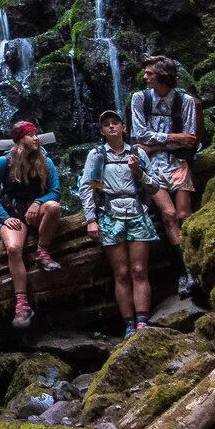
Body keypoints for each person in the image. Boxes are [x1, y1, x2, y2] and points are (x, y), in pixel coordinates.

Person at [78, 107, 160, 335]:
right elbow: (87, 188)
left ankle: (143, 321)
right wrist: (91, 219)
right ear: (102, 131)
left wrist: (139, 172)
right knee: (122, 273)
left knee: (139, 270)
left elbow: (155, 187)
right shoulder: (97, 156)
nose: (112, 126)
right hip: (109, 215)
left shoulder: (138, 154)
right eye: (107, 124)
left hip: (137, 212)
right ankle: (129, 325)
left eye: (116, 122)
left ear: (124, 127)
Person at [130, 55, 201, 296]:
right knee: (169, 215)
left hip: (178, 163)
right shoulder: (139, 99)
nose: (145, 77)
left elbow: (190, 140)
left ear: (163, 75)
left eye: (149, 73)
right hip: (150, 167)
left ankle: (195, 267)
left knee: (184, 214)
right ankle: (186, 269)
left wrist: (156, 144)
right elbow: (139, 135)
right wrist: (172, 138)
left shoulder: (186, 101)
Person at [0, 119, 62, 329]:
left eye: (37, 134)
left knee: (53, 207)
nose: (36, 138)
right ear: (20, 140)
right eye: (31, 135)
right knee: (13, 248)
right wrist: (4, 218)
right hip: (13, 214)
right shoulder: (4, 162)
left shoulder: (46, 162)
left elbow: (56, 192)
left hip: (36, 211)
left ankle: (42, 252)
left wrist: (38, 202)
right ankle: (22, 304)